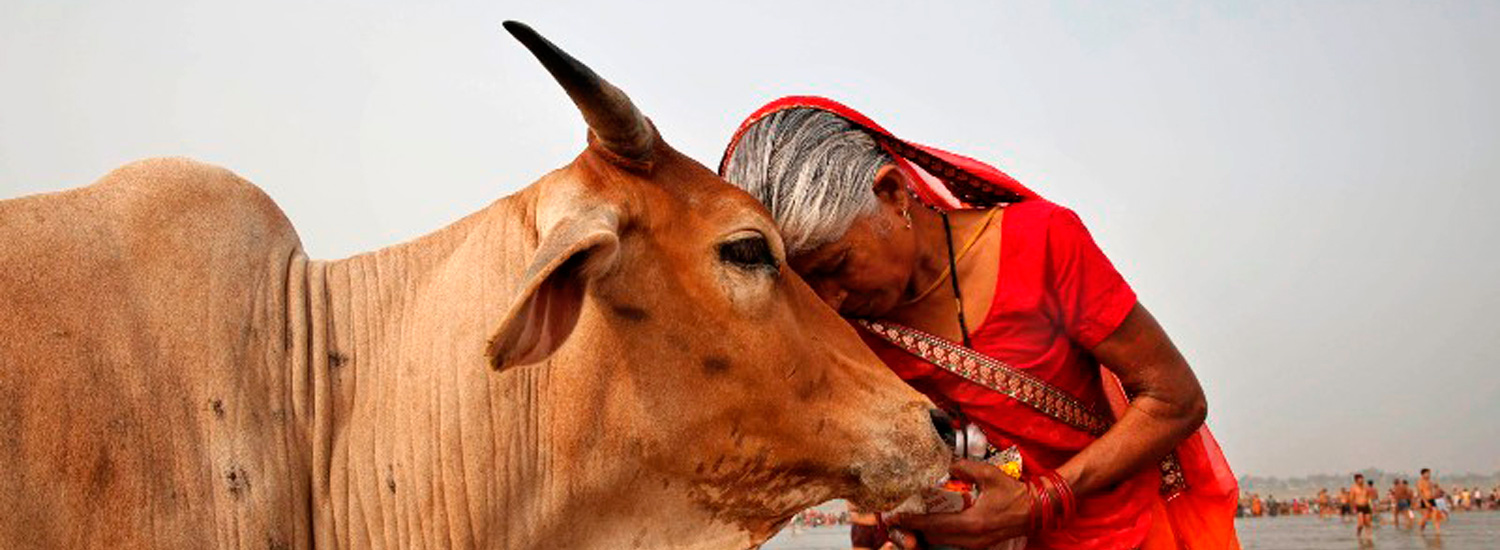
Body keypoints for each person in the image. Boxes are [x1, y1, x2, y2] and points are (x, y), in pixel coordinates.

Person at [720, 97, 1239, 549]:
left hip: (1121, 534)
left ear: (894, 193)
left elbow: (1175, 399)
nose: (830, 302)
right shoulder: (847, 329)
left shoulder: (1041, 245)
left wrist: (1038, 503)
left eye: (836, 267)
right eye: (811, 287)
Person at [1418, 468, 1444, 534]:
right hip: (1425, 500)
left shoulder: (1429, 482)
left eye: (1429, 473)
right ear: (1423, 474)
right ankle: (1420, 530)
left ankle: (1438, 532)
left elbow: (1435, 487)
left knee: (1435, 516)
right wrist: (1425, 502)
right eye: (1427, 473)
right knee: (1425, 518)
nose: (1429, 475)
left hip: (1432, 500)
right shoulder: (1420, 482)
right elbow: (1420, 493)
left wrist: (1438, 487)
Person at [1351, 474, 1373, 542]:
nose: (1362, 481)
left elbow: (1369, 497)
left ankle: (1369, 537)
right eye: (1360, 479)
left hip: (1366, 506)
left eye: (1362, 479)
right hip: (1359, 506)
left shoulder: (1366, 487)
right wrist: (1353, 508)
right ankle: (1358, 534)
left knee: (1368, 523)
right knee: (1361, 524)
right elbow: (1351, 499)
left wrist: (1371, 506)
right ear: (1356, 481)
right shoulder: (1353, 488)